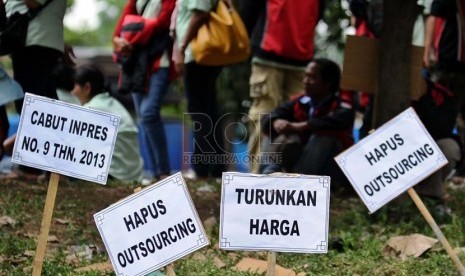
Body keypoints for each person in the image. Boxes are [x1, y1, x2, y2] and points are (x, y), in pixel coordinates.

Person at [238, 0, 325, 173]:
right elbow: (318, 11)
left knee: (263, 115)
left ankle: (257, 179)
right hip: (301, 51)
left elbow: (249, 8)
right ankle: (291, 178)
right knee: (298, 117)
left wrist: (245, 39)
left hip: (269, 49)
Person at [3, 0, 74, 179]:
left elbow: (33, 3)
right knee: (43, 103)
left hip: (35, 42)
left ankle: (31, 168)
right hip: (36, 41)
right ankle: (52, 167)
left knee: (32, 105)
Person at [260, 59, 354, 186]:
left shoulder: (341, 105)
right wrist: (276, 122)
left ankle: (297, 185)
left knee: (323, 138)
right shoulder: (300, 101)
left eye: (312, 77)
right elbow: (270, 116)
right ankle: (266, 176)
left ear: (328, 83)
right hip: (302, 159)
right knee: (275, 130)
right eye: (306, 76)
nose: (305, 81)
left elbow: (340, 121)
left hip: (329, 169)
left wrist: (304, 126)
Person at [113, 0, 175, 181]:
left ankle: (163, 171)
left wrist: (133, 31)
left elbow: (162, 23)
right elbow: (118, 32)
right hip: (137, 65)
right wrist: (121, 40)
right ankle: (155, 173)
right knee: (142, 117)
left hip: (159, 62)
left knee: (149, 113)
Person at [173, 0, 225, 179]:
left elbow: (200, 13)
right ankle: (216, 168)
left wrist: (181, 47)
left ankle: (203, 168)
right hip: (201, 55)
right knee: (208, 111)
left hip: (198, 55)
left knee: (200, 113)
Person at [72, 64, 144, 183]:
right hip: (134, 176)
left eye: (74, 86)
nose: (72, 92)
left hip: (114, 176)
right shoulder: (113, 103)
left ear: (87, 87)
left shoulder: (92, 108)